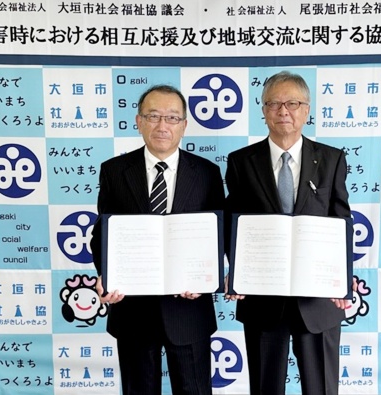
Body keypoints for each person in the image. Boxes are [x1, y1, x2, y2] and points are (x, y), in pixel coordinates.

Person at [90, 84, 225, 395]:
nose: (162, 125)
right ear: (139, 121)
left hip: (189, 309)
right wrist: (105, 274)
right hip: (132, 308)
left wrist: (205, 277)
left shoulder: (207, 173)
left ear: (184, 125)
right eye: (153, 116)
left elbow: (216, 235)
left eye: (172, 117)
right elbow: (103, 232)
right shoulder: (114, 171)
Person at [225, 71, 354, 395]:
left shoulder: (331, 159)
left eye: (292, 103)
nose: (283, 111)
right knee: (265, 388)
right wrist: (236, 271)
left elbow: (341, 220)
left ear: (306, 110)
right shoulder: (241, 162)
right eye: (274, 103)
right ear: (264, 110)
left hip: (318, 298)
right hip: (262, 298)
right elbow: (233, 223)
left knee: (321, 388)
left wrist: (342, 275)